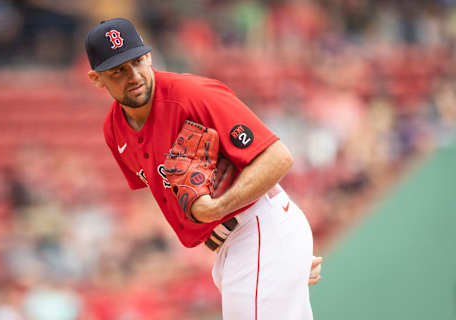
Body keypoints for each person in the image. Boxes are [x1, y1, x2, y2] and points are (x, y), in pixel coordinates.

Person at [85, 18, 322, 319]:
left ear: (149, 56)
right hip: (237, 244)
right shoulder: (114, 129)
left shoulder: (193, 95)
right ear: (96, 79)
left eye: (137, 61)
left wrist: (275, 244)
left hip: (259, 226)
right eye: (118, 71)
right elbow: (163, 197)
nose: (133, 76)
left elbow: (278, 156)